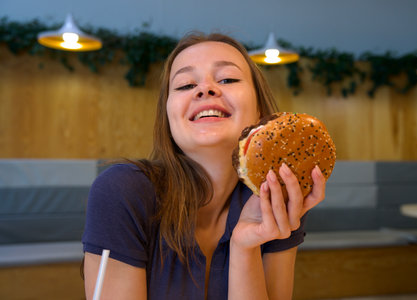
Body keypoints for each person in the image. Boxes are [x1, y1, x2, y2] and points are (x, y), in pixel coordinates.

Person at [82, 32, 326, 300]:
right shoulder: (122, 191)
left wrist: (245, 248)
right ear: (168, 116)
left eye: (227, 79)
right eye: (185, 85)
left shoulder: (276, 195)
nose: (205, 89)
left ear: (259, 111)